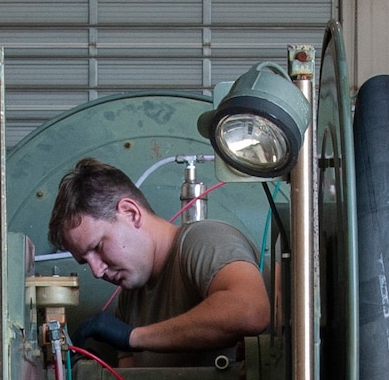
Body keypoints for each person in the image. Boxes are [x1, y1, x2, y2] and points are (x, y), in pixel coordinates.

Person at [48, 157, 271, 367]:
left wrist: (132, 337)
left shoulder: (203, 241)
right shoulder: (130, 300)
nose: (97, 271)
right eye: (85, 261)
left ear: (130, 213)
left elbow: (250, 311)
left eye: (97, 247)